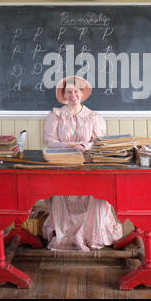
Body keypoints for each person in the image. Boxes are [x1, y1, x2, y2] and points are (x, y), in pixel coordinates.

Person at [42, 76, 123, 251]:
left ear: (82, 93)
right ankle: (66, 233)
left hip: (88, 164)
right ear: (63, 95)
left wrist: (83, 146)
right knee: (60, 193)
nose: (73, 95)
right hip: (63, 164)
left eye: (76, 91)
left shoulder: (93, 116)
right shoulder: (55, 115)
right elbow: (50, 141)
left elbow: (98, 141)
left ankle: (91, 233)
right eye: (69, 92)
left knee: (96, 193)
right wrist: (70, 146)